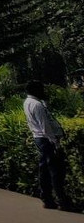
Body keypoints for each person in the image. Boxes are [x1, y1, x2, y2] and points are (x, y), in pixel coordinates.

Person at [24, 80, 74, 211]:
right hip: (46, 140)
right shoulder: (36, 105)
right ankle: (62, 201)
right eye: (41, 89)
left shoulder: (29, 102)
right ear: (36, 90)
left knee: (45, 170)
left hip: (40, 139)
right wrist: (55, 142)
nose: (44, 91)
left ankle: (47, 198)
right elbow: (45, 126)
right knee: (55, 171)